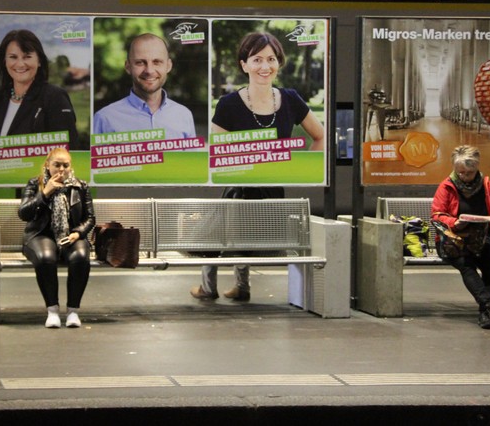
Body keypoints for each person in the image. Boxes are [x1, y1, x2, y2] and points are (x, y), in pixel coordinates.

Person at [190, 31, 325, 302]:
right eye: (257, 59)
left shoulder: (290, 99)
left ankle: (237, 287)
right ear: (244, 65)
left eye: (271, 59)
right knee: (220, 228)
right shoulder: (228, 104)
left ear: (279, 63)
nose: (265, 66)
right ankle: (213, 286)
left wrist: (301, 171)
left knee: (232, 230)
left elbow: (320, 136)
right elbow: (218, 153)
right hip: (238, 188)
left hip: (272, 192)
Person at [432, 145, 490, 330]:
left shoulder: (486, 185)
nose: (465, 176)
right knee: (466, 265)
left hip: (482, 237)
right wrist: (454, 222)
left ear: (477, 168)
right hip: (454, 240)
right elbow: (436, 215)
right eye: (461, 172)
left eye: (470, 173)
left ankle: (486, 312)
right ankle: (489, 307)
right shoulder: (447, 186)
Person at [18, 147, 95, 328]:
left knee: (80, 257)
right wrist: (45, 193)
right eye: (57, 165)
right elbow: (24, 214)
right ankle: (52, 310)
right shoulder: (35, 184)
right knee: (46, 258)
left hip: (70, 235)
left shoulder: (80, 186)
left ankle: (73, 311)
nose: (61, 169)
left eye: (65, 165)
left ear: (70, 166)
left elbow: (90, 218)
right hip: (40, 234)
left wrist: (78, 233)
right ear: (48, 165)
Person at [0, 29, 80, 148]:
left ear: (39, 61)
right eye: (13, 57)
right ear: (4, 61)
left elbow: (70, 150)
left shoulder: (55, 97)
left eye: (27, 57)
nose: (20, 64)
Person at [92, 33, 195, 139]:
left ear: (168, 66)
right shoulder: (104, 119)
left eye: (157, 62)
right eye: (140, 62)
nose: (149, 71)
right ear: (128, 67)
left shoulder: (184, 115)